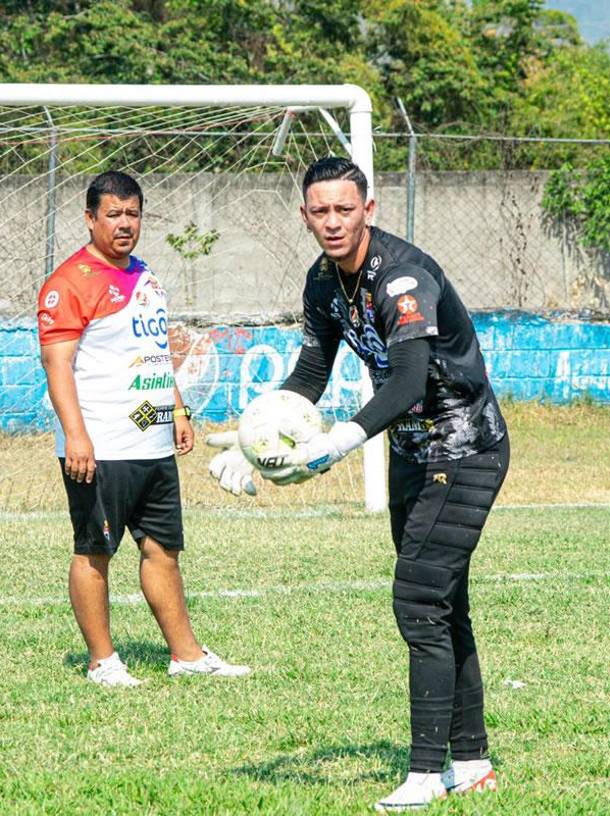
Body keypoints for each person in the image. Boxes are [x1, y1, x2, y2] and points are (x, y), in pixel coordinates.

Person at [209, 157, 508, 810]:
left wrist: (337, 442)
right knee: (442, 604)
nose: (333, 221)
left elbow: (408, 380)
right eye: (321, 211)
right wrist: (257, 438)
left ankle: (426, 774)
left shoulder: (401, 277)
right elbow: (311, 372)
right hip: (413, 453)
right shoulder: (323, 281)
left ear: (368, 209)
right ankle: (471, 763)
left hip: (465, 447)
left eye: (345, 209)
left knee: (419, 602)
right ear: (304, 215)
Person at [38, 170, 249, 688]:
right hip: (101, 444)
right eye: (113, 214)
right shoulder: (70, 282)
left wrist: (176, 409)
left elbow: (153, 351)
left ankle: (187, 655)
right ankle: (102, 662)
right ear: (90, 219)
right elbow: (56, 364)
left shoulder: (145, 276)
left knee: (162, 549)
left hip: (151, 441)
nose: (124, 224)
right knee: (95, 550)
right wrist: (77, 436)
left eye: (132, 214)